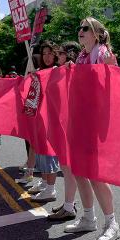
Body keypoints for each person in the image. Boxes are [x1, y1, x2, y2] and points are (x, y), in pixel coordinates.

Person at [64, 17, 120, 240]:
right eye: (79, 28)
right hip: (80, 119)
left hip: (95, 121)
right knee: (79, 169)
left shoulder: (103, 53)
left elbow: (114, 83)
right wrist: (71, 70)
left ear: (96, 34)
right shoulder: (81, 57)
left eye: (85, 28)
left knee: (96, 174)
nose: (80, 31)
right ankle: (88, 218)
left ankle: (112, 223)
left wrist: (112, 68)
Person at [48, 40, 82, 221]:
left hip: (70, 125)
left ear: (70, 55)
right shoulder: (60, 71)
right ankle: (69, 203)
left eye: (61, 53)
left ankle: (69, 207)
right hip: (62, 125)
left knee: (69, 169)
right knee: (66, 168)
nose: (57, 55)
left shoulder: (74, 71)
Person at [27, 41, 61, 202]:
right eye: (44, 53)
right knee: (41, 151)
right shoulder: (40, 72)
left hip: (52, 118)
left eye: (50, 53)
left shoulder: (58, 71)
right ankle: (45, 182)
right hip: (39, 118)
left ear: (55, 54)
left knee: (50, 153)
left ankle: (51, 188)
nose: (47, 57)